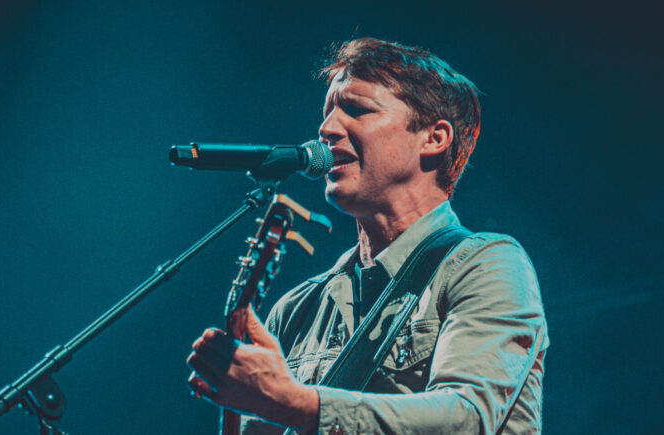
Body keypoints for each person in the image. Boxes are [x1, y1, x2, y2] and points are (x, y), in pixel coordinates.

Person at [187, 37, 548, 434]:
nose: (326, 129)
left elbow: (465, 418)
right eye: (327, 113)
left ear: (434, 138)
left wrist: (293, 401)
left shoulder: (487, 265)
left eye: (357, 109)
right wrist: (242, 401)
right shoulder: (296, 309)